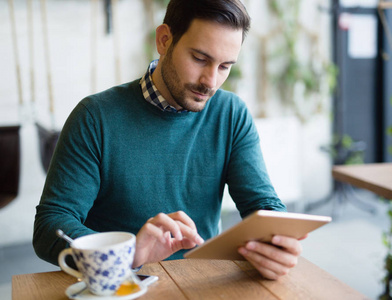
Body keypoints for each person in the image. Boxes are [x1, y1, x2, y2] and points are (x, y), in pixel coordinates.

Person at [33, 0, 303, 280]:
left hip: (203, 283)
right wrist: (127, 254)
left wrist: (278, 241)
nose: (210, 82)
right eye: (200, 58)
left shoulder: (231, 115)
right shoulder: (95, 117)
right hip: (121, 287)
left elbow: (262, 204)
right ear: (164, 40)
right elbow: (50, 226)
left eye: (225, 66)